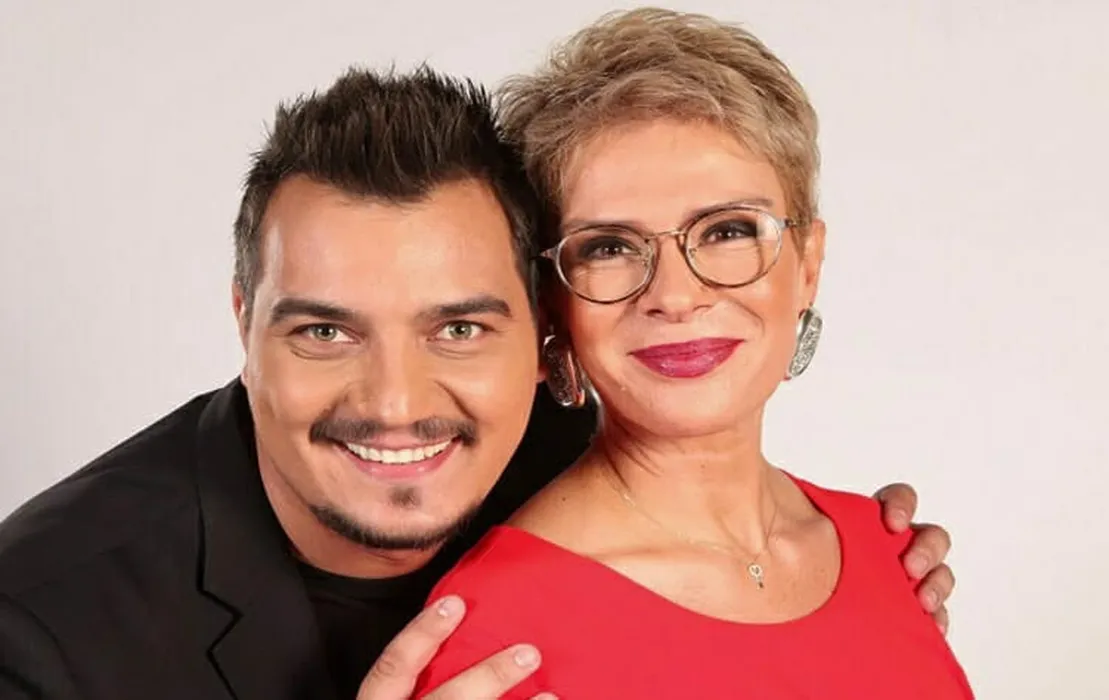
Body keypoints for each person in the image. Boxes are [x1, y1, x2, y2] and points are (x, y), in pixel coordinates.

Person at [0, 66, 953, 700]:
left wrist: (858, 585)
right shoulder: (39, 632)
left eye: (458, 330)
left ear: (540, 331)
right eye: (325, 331)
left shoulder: (567, 444)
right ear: (243, 321)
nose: (396, 403)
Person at [412, 8, 974, 699]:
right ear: (552, 303)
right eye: (609, 247)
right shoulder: (493, 635)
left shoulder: (893, 554)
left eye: (727, 230)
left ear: (806, 266)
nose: (675, 296)